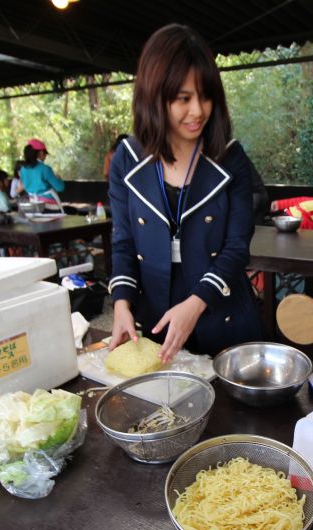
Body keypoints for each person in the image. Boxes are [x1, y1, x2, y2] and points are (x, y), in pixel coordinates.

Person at [107, 23, 264, 363]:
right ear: (154, 96)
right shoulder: (127, 160)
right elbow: (123, 243)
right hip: (158, 320)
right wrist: (121, 303)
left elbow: (237, 248)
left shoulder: (230, 158)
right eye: (183, 98)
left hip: (223, 314)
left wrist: (196, 303)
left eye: (205, 96)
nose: (198, 111)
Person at [20, 138, 65, 208]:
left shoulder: (23, 169)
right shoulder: (45, 169)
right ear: (41, 153)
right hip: (49, 206)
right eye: (45, 154)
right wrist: (58, 178)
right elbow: (60, 188)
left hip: (33, 205)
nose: (45, 157)